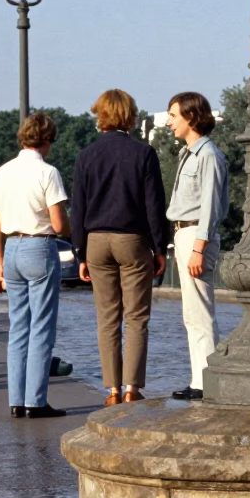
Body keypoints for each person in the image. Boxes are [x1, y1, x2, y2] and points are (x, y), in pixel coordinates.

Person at [71, 89, 168, 407]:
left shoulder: (86, 155)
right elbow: (154, 205)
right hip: (132, 240)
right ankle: (132, 388)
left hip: (96, 240)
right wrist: (159, 248)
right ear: (130, 115)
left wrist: (80, 253)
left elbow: (79, 207)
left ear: (101, 115)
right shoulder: (144, 154)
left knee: (107, 317)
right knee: (137, 317)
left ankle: (112, 390)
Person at [0, 112, 71, 419]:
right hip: (40, 246)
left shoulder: (3, 172)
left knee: (18, 327)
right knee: (42, 328)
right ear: (46, 140)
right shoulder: (48, 173)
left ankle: (16, 400)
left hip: (11, 248)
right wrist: (71, 227)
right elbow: (60, 224)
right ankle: (35, 401)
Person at [165, 92, 229, 400]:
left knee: (200, 311)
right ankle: (199, 379)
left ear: (191, 117)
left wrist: (199, 247)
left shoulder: (208, 155)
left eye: (174, 115)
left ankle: (206, 382)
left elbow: (211, 206)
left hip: (195, 236)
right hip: (185, 234)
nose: (169, 122)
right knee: (192, 313)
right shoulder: (189, 153)